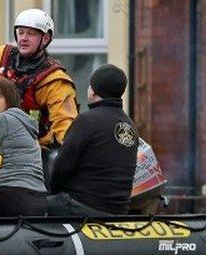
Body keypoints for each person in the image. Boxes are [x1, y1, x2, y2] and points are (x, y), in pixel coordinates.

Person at [0, 8, 78, 148]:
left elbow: (64, 126)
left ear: (45, 39)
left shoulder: (55, 80)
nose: (24, 38)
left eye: (31, 34)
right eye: (20, 33)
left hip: (31, 149)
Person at [48, 64, 138, 217]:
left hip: (82, 205)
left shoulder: (87, 120)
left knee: (31, 206)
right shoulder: (130, 125)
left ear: (93, 90)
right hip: (118, 210)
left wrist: (53, 191)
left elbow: (62, 167)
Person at [0, 78, 47, 217]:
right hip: (38, 197)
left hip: (11, 194)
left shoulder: (0, 119)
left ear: (9, 99)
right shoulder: (25, 122)